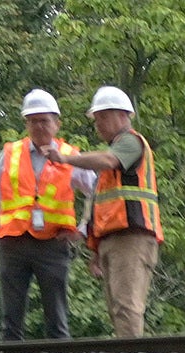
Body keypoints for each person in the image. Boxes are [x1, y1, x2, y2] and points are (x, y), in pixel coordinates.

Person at [0, 91, 86, 341]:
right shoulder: (11, 153)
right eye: (32, 120)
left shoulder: (70, 155)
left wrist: (82, 230)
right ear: (26, 123)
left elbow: (97, 190)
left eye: (44, 120)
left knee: (57, 318)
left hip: (53, 242)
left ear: (56, 123)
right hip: (13, 242)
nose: (38, 126)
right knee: (11, 320)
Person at [71, 86, 159, 339]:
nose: (98, 124)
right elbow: (104, 208)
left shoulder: (130, 143)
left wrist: (67, 159)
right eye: (97, 118)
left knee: (126, 306)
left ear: (122, 115)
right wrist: (97, 249)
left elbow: (109, 161)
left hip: (131, 238)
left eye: (102, 117)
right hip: (115, 239)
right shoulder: (113, 156)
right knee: (118, 307)